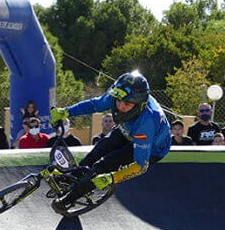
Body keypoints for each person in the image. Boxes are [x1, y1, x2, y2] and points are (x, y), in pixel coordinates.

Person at [50, 71, 171, 213]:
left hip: (151, 148)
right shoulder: (119, 94)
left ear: (139, 103)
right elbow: (94, 105)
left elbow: (140, 166)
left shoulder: (147, 122)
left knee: (104, 165)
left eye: (126, 104)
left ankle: (69, 199)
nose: (120, 106)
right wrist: (65, 111)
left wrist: (112, 177)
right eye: (119, 101)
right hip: (129, 129)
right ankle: (74, 179)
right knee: (97, 151)